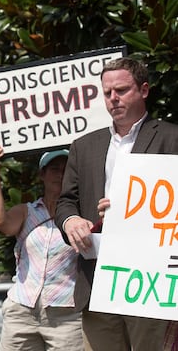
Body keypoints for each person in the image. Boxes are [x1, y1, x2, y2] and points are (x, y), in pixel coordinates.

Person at [54, 57, 178, 351]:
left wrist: (135, 208)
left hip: (150, 279)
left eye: (121, 90)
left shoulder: (172, 139)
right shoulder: (84, 146)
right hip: (98, 278)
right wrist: (70, 221)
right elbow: (65, 202)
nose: (113, 99)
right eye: (107, 92)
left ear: (144, 90)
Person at [0, 145, 83, 351]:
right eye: (55, 169)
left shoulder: (80, 216)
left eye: (66, 170)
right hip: (22, 310)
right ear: (42, 175)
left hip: (66, 314)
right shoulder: (26, 212)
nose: (60, 174)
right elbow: (0, 222)